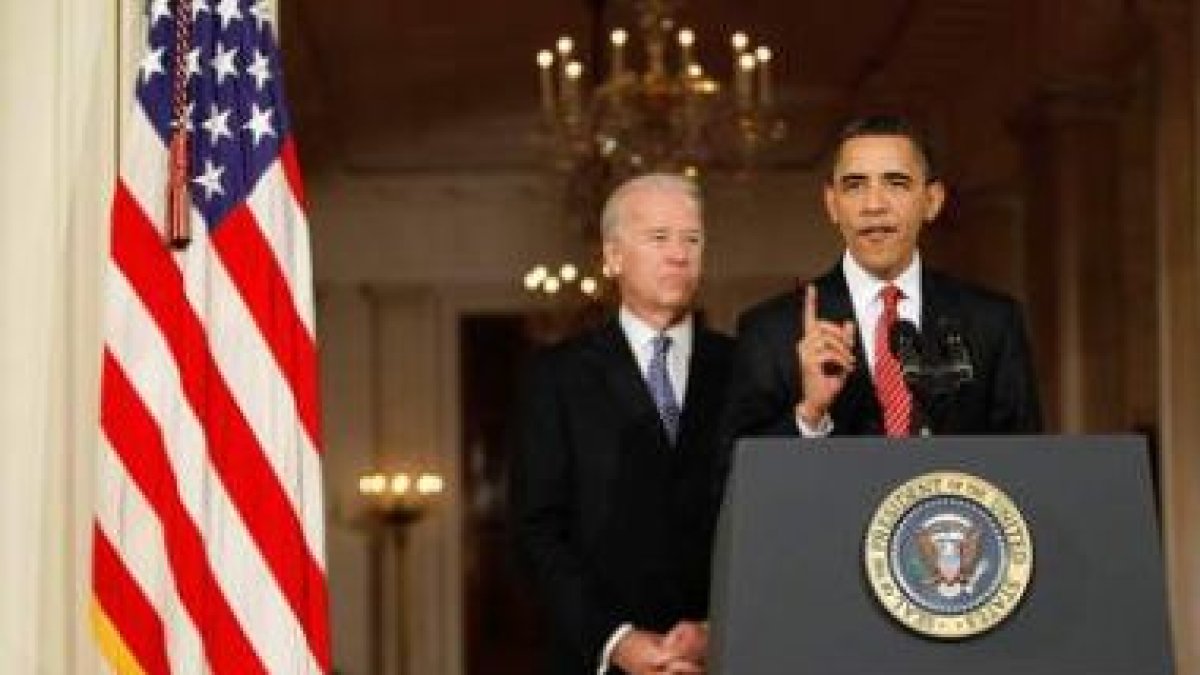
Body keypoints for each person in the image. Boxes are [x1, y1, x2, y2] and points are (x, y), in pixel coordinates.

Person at [511, 173, 733, 675]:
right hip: (599, 659)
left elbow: (768, 522)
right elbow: (537, 533)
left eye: (691, 239)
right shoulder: (556, 376)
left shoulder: (744, 368)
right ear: (612, 257)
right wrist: (617, 641)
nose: (679, 253)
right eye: (659, 238)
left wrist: (714, 632)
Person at [723, 114, 1042, 445]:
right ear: (832, 204)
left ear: (932, 201)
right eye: (855, 185)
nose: (874, 205)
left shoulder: (993, 322)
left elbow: (1026, 471)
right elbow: (735, 481)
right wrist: (809, 415)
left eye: (896, 183)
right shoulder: (769, 332)